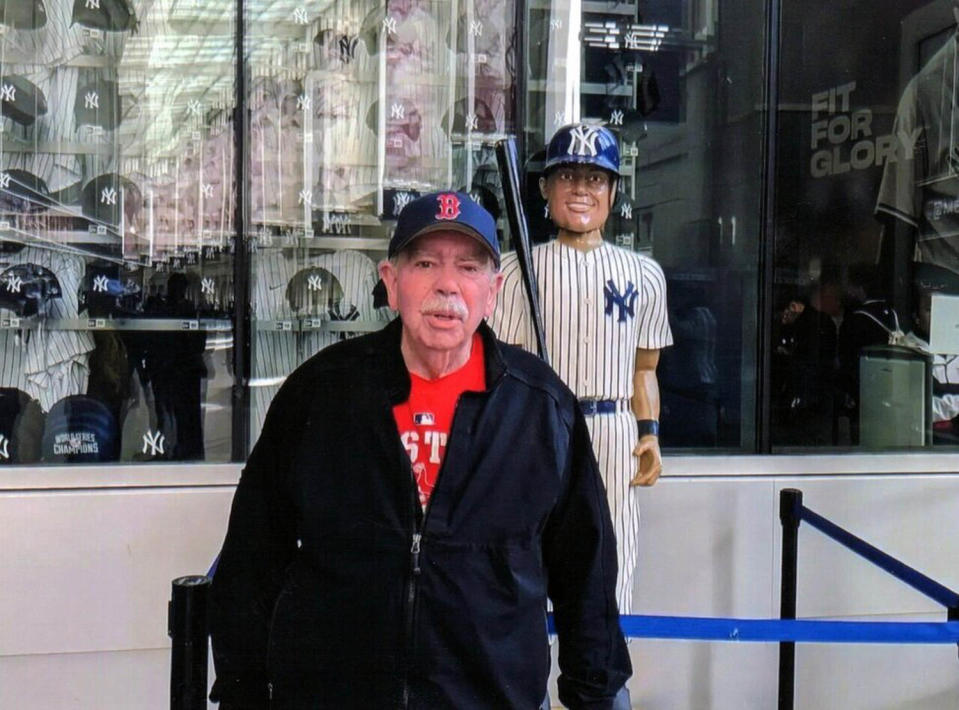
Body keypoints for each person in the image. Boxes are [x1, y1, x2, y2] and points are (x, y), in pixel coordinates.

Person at [209, 190, 631, 709]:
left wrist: (594, 695)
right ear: (391, 281)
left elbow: (585, 576)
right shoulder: (323, 393)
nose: (446, 285)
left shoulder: (541, 410)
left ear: (493, 290)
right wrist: (240, 689)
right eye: (425, 263)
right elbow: (253, 557)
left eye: (469, 267)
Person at [488, 123, 672, 708]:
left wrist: (649, 433)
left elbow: (646, 369)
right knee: (523, 583)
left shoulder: (644, 274)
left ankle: (601, 697)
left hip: (613, 431)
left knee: (604, 584)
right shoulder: (516, 271)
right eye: (569, 176)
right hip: (536, 431)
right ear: (545, 188)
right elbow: (496, 372)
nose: (582, 189)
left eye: (595, 178)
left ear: (614, 192)